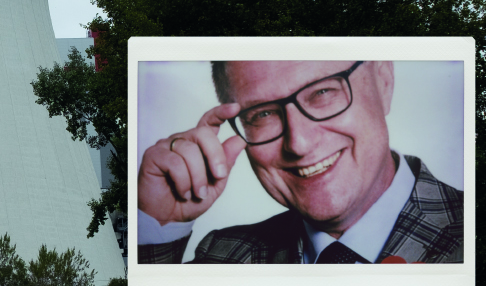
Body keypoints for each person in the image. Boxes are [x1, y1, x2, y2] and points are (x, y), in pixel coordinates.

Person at [137, 60, 462, 264]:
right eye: (262, 114)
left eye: (322, 93)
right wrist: (159, 223)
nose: (300, 144)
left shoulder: (474, 236)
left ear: (384, 81)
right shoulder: (223, 256)